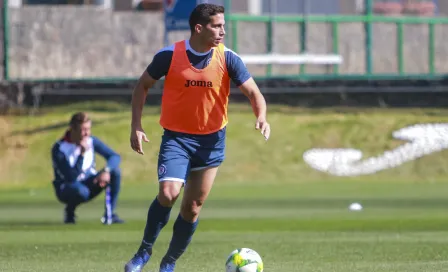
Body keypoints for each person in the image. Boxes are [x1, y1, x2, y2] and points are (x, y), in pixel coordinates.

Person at [124, 3, 270, 272]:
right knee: (168, 193)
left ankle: (168, 263)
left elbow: (254, 93)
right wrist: (136, 125)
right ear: (199, 28)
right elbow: (142, 86)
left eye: (223, 25)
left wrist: (261, 116)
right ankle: (143, 252)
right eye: (217, 26)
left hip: (211, 142)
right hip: (177, 139)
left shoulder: (229, 59)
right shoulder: (169, 56)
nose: (222, 31)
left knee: (192, 208)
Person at [51, 112, 124, 225]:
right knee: (80, 191)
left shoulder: (91, 141)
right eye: (83, 130)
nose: (87, 133)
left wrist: (106, 170)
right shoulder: (59, 148)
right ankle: (70, 211)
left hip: (89, 182)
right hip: (67, 188)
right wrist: (82, 154)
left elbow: (114, 156)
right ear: (73, 130)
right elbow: (71, 177)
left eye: (88, 129)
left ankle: (110, 214)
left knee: (115, 172)